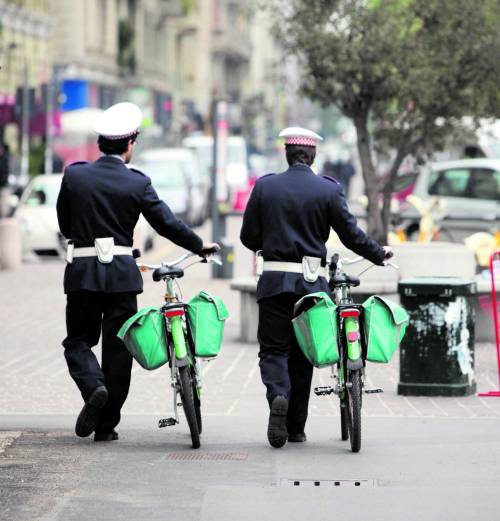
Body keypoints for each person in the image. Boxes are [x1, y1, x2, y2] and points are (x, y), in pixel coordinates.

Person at [56, 102, 219, 442]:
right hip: (121, 275)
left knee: (78, 342)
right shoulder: (137, 183)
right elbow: (167, 223)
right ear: (130, 143)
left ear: (101, 142)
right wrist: (198, 245)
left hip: (83, 272)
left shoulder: (74, 176)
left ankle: (93, 387)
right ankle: (106, 424)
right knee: (118, 351)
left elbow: (64, 223)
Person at [240, 127, 393, 448]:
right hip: (312, 286)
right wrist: (378, 254)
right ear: (313, 156)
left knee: (272, 350)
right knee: (302, 355)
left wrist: (269, 243)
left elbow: (247, 238)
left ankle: (278, 395)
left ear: (286, 153)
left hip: (273, 281)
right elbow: (351, 235)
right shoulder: (327, 190)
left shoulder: (266, 187)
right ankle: (295, 428)